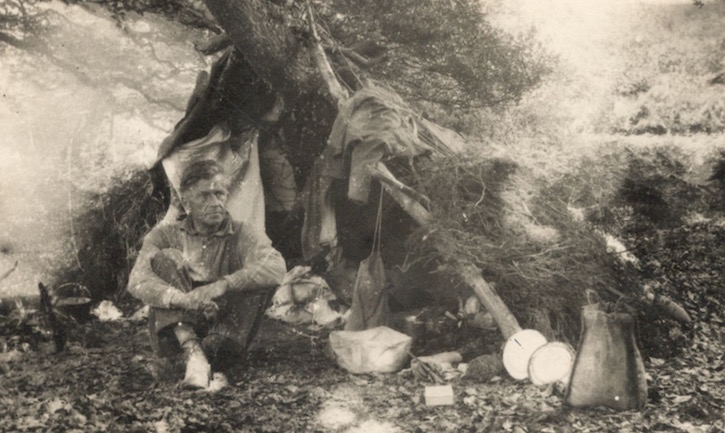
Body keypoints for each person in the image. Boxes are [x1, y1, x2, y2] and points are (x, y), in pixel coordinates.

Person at [128, 159, 286, 389]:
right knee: (163, 258)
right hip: (177, 333)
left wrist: (222, 285)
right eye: (204, 196)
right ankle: (192, 354)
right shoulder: (165, 234)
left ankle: (186, 363)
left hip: (224, 333)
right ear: (186, 200)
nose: (215, 203)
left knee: (261, 277)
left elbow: (277, 266)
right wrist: (182, 299)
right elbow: (137, 280)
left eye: (220, 194)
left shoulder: (242, 232)